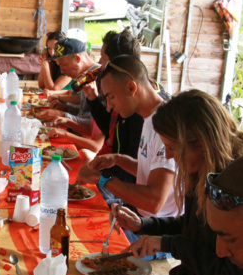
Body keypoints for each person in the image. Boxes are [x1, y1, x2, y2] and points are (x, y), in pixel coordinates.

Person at [117, 90, 243, 275]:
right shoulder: (202, 171)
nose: (169, 156)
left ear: (200, 142)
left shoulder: (239, 188)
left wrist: (170, 244)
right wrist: (145, 224)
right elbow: (190, 225)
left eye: (172, 147)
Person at [77, 55, 179, 219]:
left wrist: (102, 179)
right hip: (140, 214)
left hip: (159, 226)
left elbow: (154, 202)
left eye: (111, 97)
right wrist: (118, 159)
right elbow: (151, 171)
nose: (109, 107)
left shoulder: (165, 125)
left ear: (131, 88)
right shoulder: (149, 117)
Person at [38, 38, 101, 130]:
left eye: (64, 65)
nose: (62, 71)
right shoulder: (85, 74)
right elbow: (83, 109)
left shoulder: (98, 76)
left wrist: (64, 115)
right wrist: (66, 108)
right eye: (59, 65)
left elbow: (94, 126)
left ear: (77, 58)